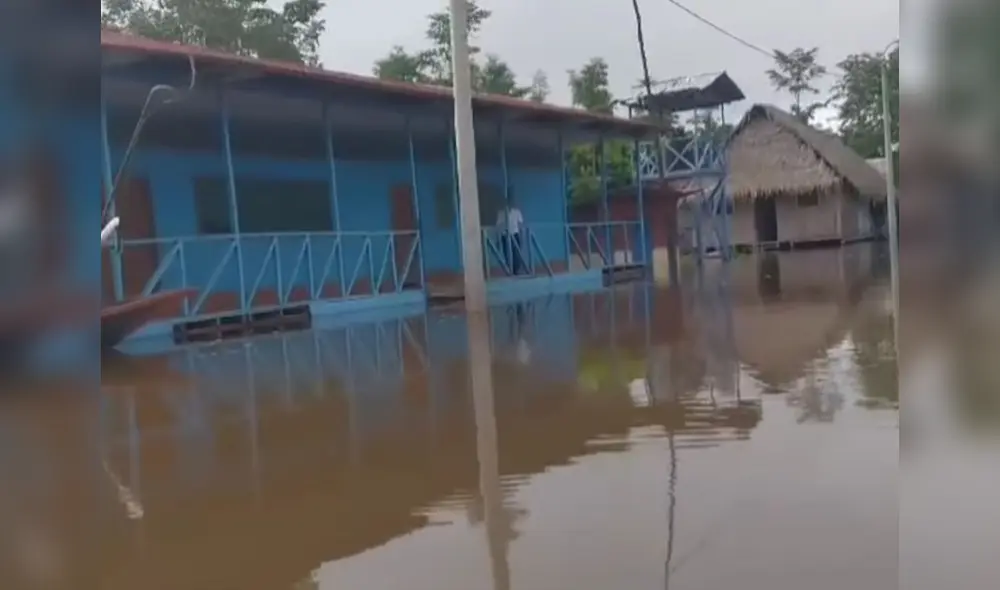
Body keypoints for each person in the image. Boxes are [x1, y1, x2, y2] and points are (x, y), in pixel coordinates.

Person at [495, 193, 525, 275]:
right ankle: (509, 269)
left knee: (516, 253)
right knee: (507, 253)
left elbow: (520, 225)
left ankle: (516, 269)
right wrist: (498, 239)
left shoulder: (516, 212)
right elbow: (499, 226)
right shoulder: (501, 213)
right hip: (505, 235)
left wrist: (521, 237)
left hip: (515, 234)